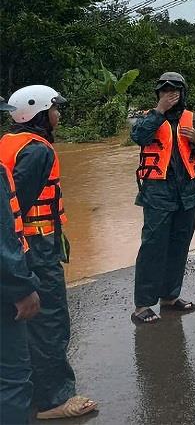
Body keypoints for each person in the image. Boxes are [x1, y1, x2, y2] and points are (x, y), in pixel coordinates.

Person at [0, 86, 97, 419]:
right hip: (35, 247)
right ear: (38, 114)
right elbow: (15, 206)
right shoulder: (38, 151)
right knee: (50, 321)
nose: (58, 116)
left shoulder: (7, 143)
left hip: (20, 246)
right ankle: (53, 398)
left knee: (25, 326)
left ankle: (30, 392)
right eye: (54, 110)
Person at [131, 72, 195, 325]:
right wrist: (159, 110)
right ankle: (143, 305)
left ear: (183, 93)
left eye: (175, 91)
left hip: (187, 196)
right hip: (157, 195)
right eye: (164, 91)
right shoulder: (148, 119)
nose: (170, 95)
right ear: (158, 94)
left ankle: (169, 297)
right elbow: (138, 137)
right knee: (152, 248)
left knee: (179, 247)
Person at [1, 95, 41, 425]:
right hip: (8, 285)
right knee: (13, 378)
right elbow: (4, 239)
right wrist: (22, 287)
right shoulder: (37, 150)